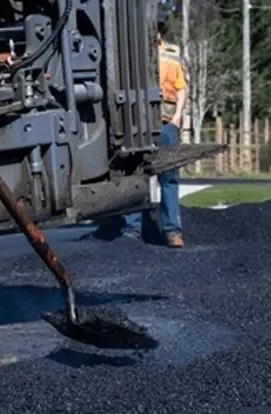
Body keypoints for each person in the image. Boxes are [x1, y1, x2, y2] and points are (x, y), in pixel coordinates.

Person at [120, 16, 188, 249]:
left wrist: (178, 117)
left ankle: (172, 231)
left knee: (168, 177)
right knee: (136, 175)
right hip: (139, 124)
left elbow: (181, 88)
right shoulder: (131, 55)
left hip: (165, 123)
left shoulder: (170, 54)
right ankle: (132, 229)